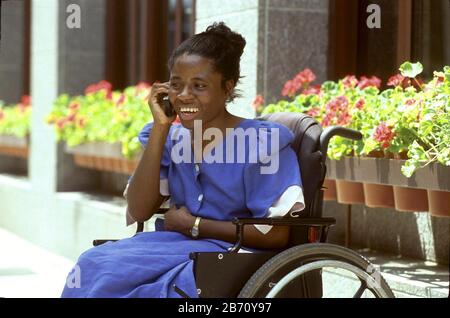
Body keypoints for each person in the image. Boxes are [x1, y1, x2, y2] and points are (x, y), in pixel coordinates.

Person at [61, 22, 305, 298]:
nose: (184, 95)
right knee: (94, 263)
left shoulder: (262, 143)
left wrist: (195, 225)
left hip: (229, 255)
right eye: (176, 85)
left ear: (227, 88)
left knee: (161, 289)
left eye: (199, 85)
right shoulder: (170, 138)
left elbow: (274, 235)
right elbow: (140, 210)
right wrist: (161, 129)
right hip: (176, 245)